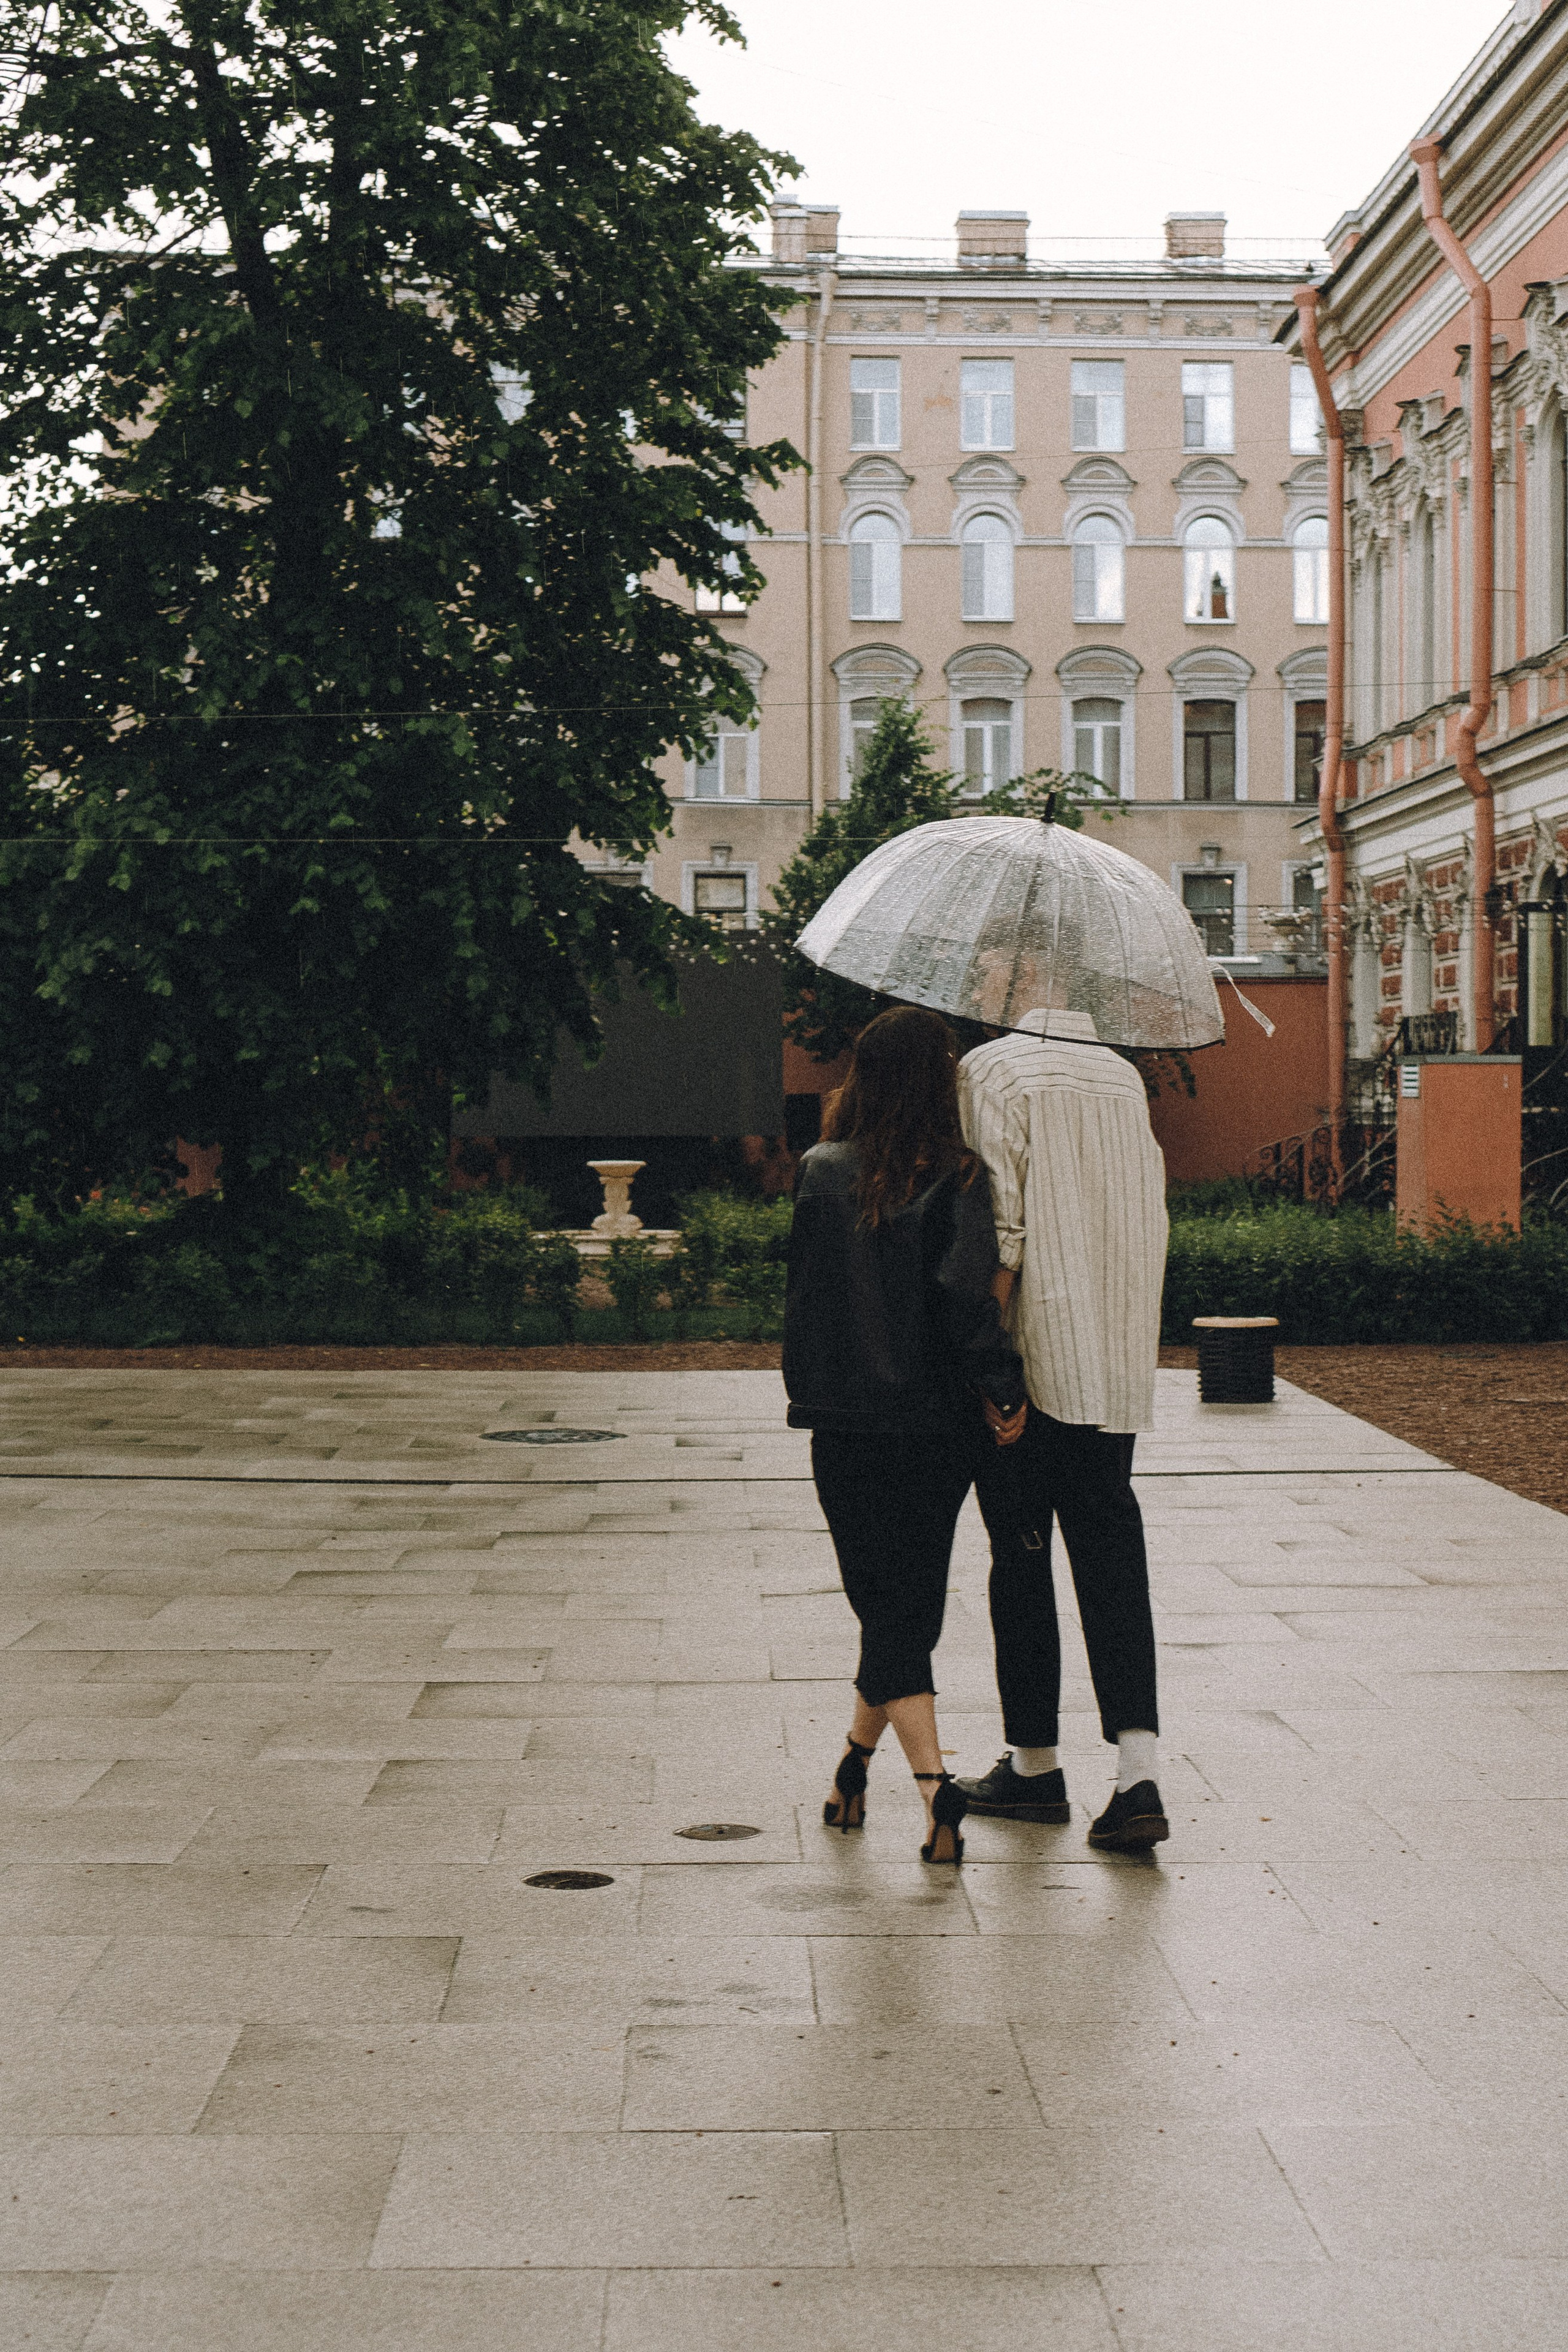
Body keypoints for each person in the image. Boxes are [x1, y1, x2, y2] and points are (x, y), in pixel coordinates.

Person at [783, 1005, 1028, 1866]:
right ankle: (902, 1780)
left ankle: (908, 1785)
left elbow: (806, 1300)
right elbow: (967, 1308)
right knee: (906, 1605)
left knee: (884, 1606)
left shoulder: (819, 1171)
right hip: (935, 1424)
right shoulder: (961, 1176)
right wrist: (1004, 1388)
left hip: (843, 1422)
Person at [955, 1007, 1170, 1852]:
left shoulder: (993, 1071)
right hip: (1113, 1353)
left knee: (1020, 1551)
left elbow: (1001, 1227)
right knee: (1112, 1545)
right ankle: (1139, 1771)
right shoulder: (1122, 1076)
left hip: (1035, 1352)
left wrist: (990, 1360)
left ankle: (1036, 1764)